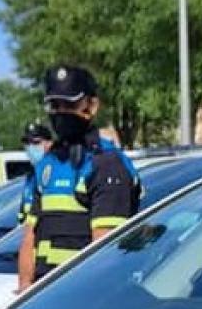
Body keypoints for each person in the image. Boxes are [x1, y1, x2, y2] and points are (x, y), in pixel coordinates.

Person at [17, 65, 140, 292]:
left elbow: (104, 252)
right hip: (42, 296)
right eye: (55, 105)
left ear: (92, 106)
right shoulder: (47, 165)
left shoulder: (106, 164)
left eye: (70, 104)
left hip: (83, 299)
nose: (61, 112)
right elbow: (29, 237)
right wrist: (24, 288)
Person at [17, 121, 53, 225]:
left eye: (36, 143)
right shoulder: (31, 176)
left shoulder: (56, 171)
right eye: (27, 143)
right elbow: (22, 215)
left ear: (49, 143)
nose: (30, 147)